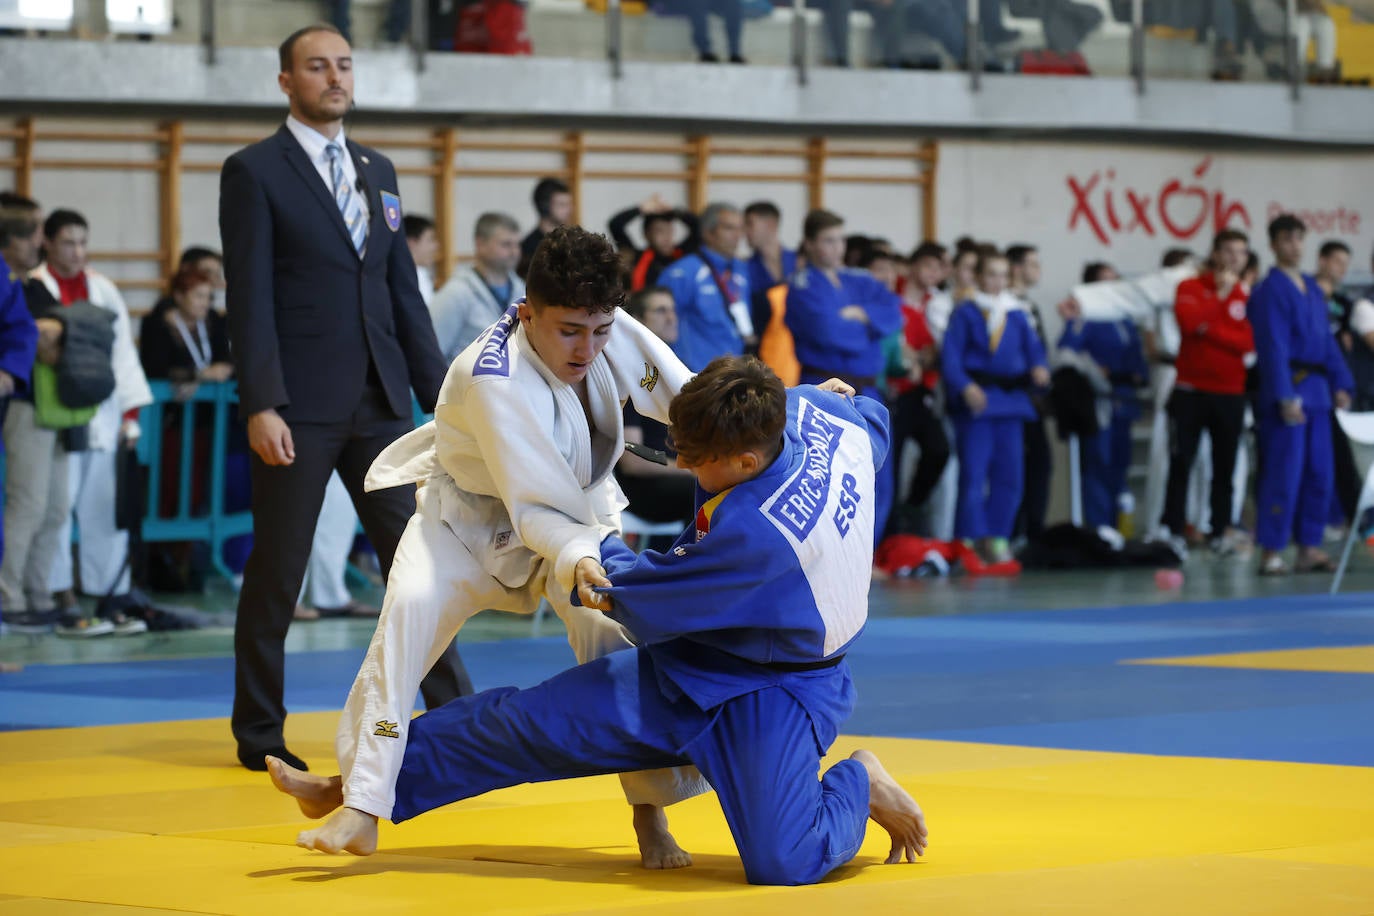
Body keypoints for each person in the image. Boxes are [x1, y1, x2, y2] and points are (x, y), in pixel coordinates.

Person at [266, 356, 929, 885]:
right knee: (524, 724)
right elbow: (870, 414)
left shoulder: (755, 535)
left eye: (699, 461)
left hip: (777, 695)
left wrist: (582, 543)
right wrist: (831, 394)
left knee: (783, 862)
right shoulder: (819, 414)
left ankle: (856, 782)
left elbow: (641, 600)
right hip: (701, 662)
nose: (690, 469)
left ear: (750, 461)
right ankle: (363, 788)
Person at [279, 225, 710, 867]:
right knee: (404, 624)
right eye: (569, 330)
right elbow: (535, 502)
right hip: (466, 524)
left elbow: (697, 400)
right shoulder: (493, 375)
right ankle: (362, 805)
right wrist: (583, 556)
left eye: (598, 330)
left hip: (575, 517)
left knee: (613, 647)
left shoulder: (606, 328)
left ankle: (649, 815)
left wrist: (795, 409)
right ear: (527, 311)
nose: (587, 348)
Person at [218, 23, 470, 773]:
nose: (334, 77)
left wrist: (445, 398)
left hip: (383, 403)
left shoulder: (377, 168)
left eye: (343, 66)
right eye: (316, 67)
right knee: (278, 572)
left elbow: (403, 296)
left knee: (420, 566)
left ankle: (456, 711)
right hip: (297, 405)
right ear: (286, 82)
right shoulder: (255, 171)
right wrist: (261, 401)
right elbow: (249, 296)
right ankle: (258, 731)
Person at [29, 209, 153, 635]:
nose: (78, 251)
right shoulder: (35, 287)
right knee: (57, 509)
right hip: (57, 415)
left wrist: (131, 416)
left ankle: (108, 594)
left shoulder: (103, 288)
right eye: (68, 242)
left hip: (105, 415)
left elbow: (123, 356)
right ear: (47, 242)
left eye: (83, 242)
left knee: (105, 509)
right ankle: (60, 594)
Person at [784, 209, 902, 540]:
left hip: (866, 391)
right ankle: (829, 549)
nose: (836, 248)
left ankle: (869, 550)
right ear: (809, 244)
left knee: (879, 472)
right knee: (825, 473)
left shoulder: (860, 280)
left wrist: (861, 313)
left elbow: (893, 314)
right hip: (823, 387)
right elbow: (830, 332)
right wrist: (868, 330)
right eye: (827, 240)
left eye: (840, 240)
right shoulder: (802, 285)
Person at [1249, 214, 1354, 575]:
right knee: (1284, 472)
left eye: (1298, 239)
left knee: (1320, 473)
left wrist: (1341, 382)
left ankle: (1309, 547)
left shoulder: (1311, 287)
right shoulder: (1269, 290)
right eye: (1286, 239)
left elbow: (1326, 340)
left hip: (1319, 392)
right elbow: (1272, 346)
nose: (1294, 246)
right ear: (1274, 244)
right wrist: (1284, 394)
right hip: (1290, 389)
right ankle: (1272, 550)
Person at [942, 248, 1050, 565]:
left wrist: (1041, 370)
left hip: (1011, 404)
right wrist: (965, 386)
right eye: (991, 274)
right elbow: (951, 358)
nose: (998, 281)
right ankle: (969, 541)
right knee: (974, 474)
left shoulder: (1017, 313)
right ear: (978, 277)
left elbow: (1036, 353)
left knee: (1009, 474)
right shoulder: (966, 312)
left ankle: (998, 536)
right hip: (979, 402)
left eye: (1003, 275)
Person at [1156, 231, 1254, 558]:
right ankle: (1173, 529)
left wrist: (1210, 330)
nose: (1234, 258)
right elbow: (1189, 323)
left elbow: (1248, 343)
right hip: (1190, 391)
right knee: (1181, 462)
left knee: (1225, 467)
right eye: (1228, 250)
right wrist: (1220, 297)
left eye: (1241, 252)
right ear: (1214, 253)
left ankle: (1221, 529)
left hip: (1230, 392)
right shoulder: (1190, 287)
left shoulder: (1248, 293)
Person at [615, 287, 697, 535]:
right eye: (661, 311)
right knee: (704, 489)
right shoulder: (633, 374)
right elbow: (632, 459)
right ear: (638, 321)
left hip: (670, 476)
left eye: (672, 310)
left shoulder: (676, 368)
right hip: (639, 488)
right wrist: (687, 469)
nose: (672, 317)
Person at [660, 202, 753, 371]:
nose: (738, 235)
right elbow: (660, 328)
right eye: (729, 228)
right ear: (708, 233)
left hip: (734, 373)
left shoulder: (742, 269)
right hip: (696, 376)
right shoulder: (683, 273)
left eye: (740, 228)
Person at [429, 211, 525, 362]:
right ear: (480, 244)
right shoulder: (456, 294)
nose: (514, 252)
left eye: (517, 245)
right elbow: (431, 354)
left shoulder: (522, 290)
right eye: (506, 244)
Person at [609, 196, 700, 292]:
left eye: (670, 231)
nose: (666, 237)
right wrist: (641, 209)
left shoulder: (682, 255)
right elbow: (615, 225)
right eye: (660, 231)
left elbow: (698, 227)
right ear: (646, 234)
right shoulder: (637, 257)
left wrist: (674, 211)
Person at [519, 177, 572, 278]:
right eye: (562, 205)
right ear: (544, 206)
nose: (568, 210)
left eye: (569, 204)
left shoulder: (571, 241)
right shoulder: (529, 248)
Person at [403, 214, 438, 307]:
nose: (435, 246)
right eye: (430, 240)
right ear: (411, 242)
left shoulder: (421, 273)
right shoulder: (404, 277)